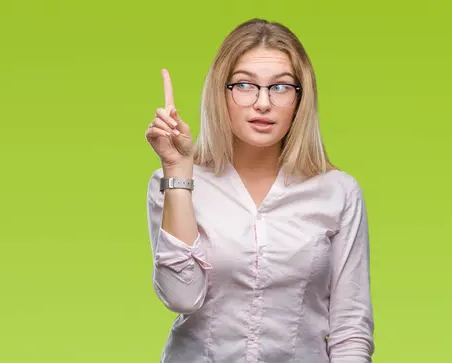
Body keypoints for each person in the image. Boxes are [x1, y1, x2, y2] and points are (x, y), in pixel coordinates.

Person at [144, 18, 375, 363]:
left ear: (301, 98)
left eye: (280, 87)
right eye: (244, 85)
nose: (263, 103)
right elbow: (180, 296)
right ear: (220, 93)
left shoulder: (338, 192)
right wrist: (177, 171)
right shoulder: (175, 182)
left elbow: (351, 329)